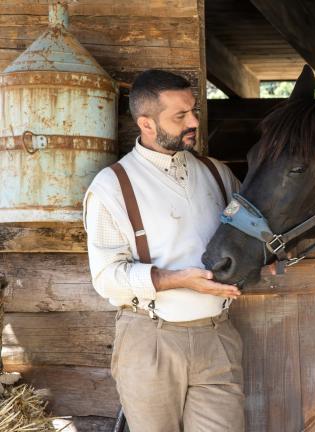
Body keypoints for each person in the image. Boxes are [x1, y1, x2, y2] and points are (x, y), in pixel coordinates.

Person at [83, 69, 244, 431]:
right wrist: (180, 280)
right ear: (147, 124)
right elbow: (107, 279)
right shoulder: (112, 186)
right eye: (180, 116)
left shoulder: (218, 174)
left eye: (194, 111)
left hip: (217, 335)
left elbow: (251, 234)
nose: (194, 122)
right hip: (151, 340)